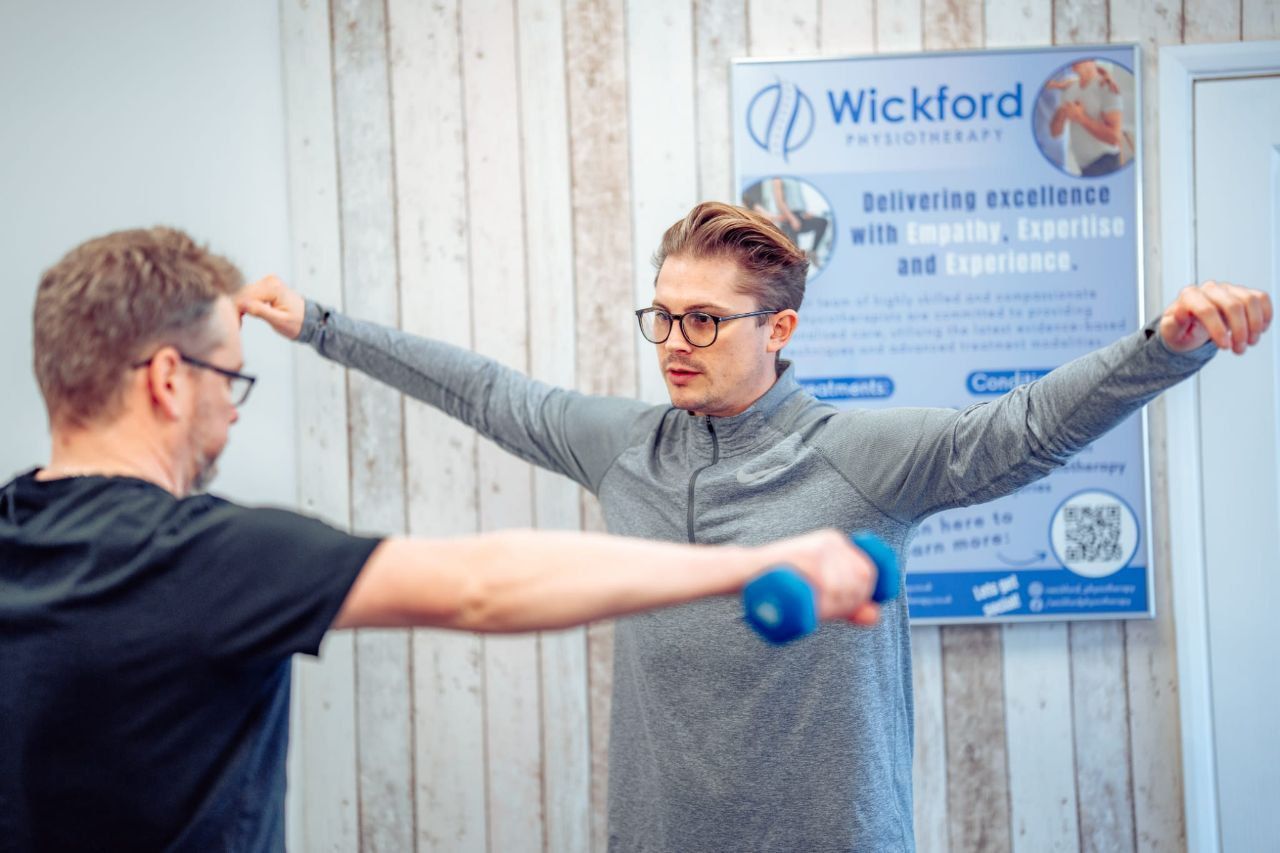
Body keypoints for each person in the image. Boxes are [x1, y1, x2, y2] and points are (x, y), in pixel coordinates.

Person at [239, 202, 1271, 851]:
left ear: (777, 330)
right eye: (661, 316)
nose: (673, 344)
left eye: (703, 320)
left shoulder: (861, 455)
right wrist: (321, 326)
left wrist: (1164, 344)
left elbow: (1024, 430)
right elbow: (484, 391)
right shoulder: (622, 445)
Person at [0, 226, 887, 853]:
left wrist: (321, 324)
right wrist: (759, 561)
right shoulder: (202, 557)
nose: (230, 413)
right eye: (230, 381)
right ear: (166, 380)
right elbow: (481, 583)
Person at [1049, 59, 1128, 177]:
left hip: (1106, 163)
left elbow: (1114, 138)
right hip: (1083, 168)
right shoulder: (1070, 88)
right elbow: (1055, 132)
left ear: (1092, 60)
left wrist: (1081, 118)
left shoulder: (1107, 87)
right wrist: (1062, 113)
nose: (1073, 61)